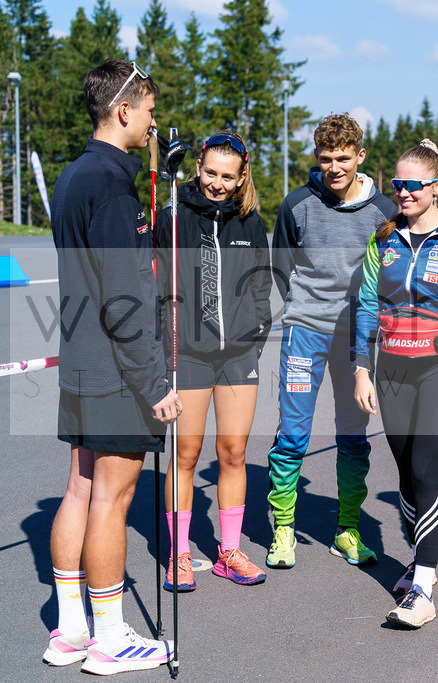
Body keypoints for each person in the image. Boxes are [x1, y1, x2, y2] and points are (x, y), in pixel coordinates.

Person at [47, 59, 180, 674]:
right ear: (123, 110)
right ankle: (109, 636)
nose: (154, 123)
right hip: (113, 366)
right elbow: (124, 296)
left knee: (79, 489)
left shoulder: (74, 175)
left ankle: (70, 629)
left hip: (79, 359)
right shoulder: (108, 184)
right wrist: (154, 383)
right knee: (111, 498)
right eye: (150, 111)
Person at [354, 139, 438, 628]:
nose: (402, 193)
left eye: (412, 185)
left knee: (426, 470)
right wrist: (360, 368)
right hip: (391, 371)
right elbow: (367, 306)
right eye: (396, 184)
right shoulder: (384, 239)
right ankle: (418, 558)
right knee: (407, 475)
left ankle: (425, 589)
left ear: (436, 187)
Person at [266, 114, 398, 569]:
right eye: (326, 159)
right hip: (304, 330)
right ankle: (283, 529)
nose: (334, 167)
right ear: (317, 158)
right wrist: (305, 309)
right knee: (293, 434)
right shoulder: (297, 204)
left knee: (353, 436)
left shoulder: (384, 210)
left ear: (361, 157)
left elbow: (391, 272)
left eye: (343, 158)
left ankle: (348, 528)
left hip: (356, 341)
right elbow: (281, 266)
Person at [156, 131, 271, 591]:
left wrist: (256, 331)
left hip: (239, 354)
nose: (217, 184)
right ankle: (179, 554)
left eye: (227, 176)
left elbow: (262, 285)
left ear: (242, 176)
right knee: (185, 455)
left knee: (234, 453)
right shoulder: (175, 216)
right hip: (191, 354)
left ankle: (229, 551)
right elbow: (153, 277)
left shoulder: (252, 222)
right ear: (197, 166)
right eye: (209, 173)